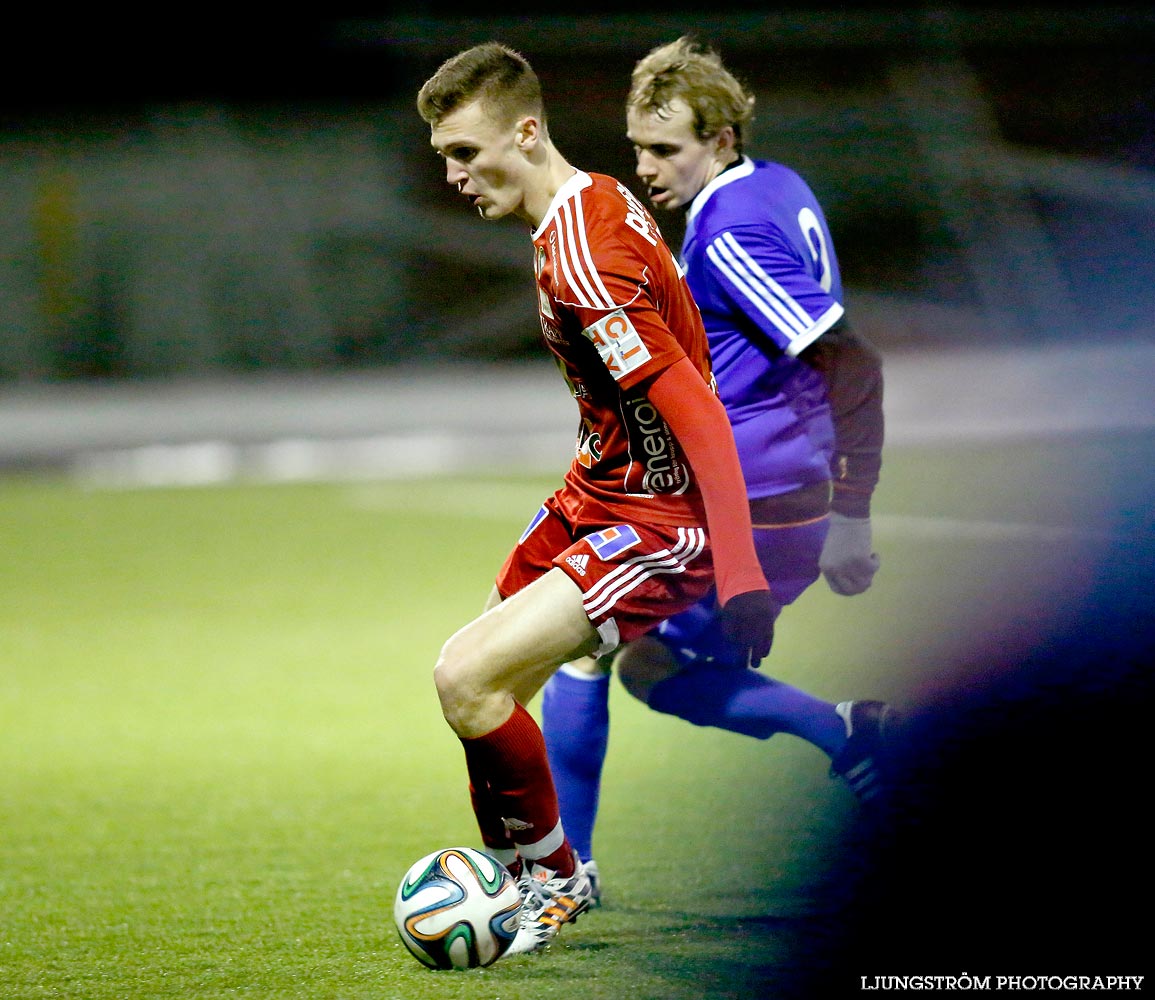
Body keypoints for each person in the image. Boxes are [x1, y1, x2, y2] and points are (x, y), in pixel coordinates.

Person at [415, 42, 776, 956]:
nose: (455, 175)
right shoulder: (595, 198)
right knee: (486, 684)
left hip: (660, 522)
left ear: (526, 133)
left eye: (466, 152)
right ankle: (515, 872)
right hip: (596, 493)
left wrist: (737, 571)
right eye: (444, 158)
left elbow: (695, 414)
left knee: (467, 678)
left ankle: (553, 881)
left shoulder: (584, 257)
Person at [540, 36, 892, 902]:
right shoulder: (776, 184)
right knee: (653, 673)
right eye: (637, 149)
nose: (647, 168)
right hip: (762, 490)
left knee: (576, 651)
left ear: (721, 140)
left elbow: (849, 363)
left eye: (667, 150)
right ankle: (846, 732)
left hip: (759, 501)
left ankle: (560, 876)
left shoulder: (729, 231)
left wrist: (853, 512)